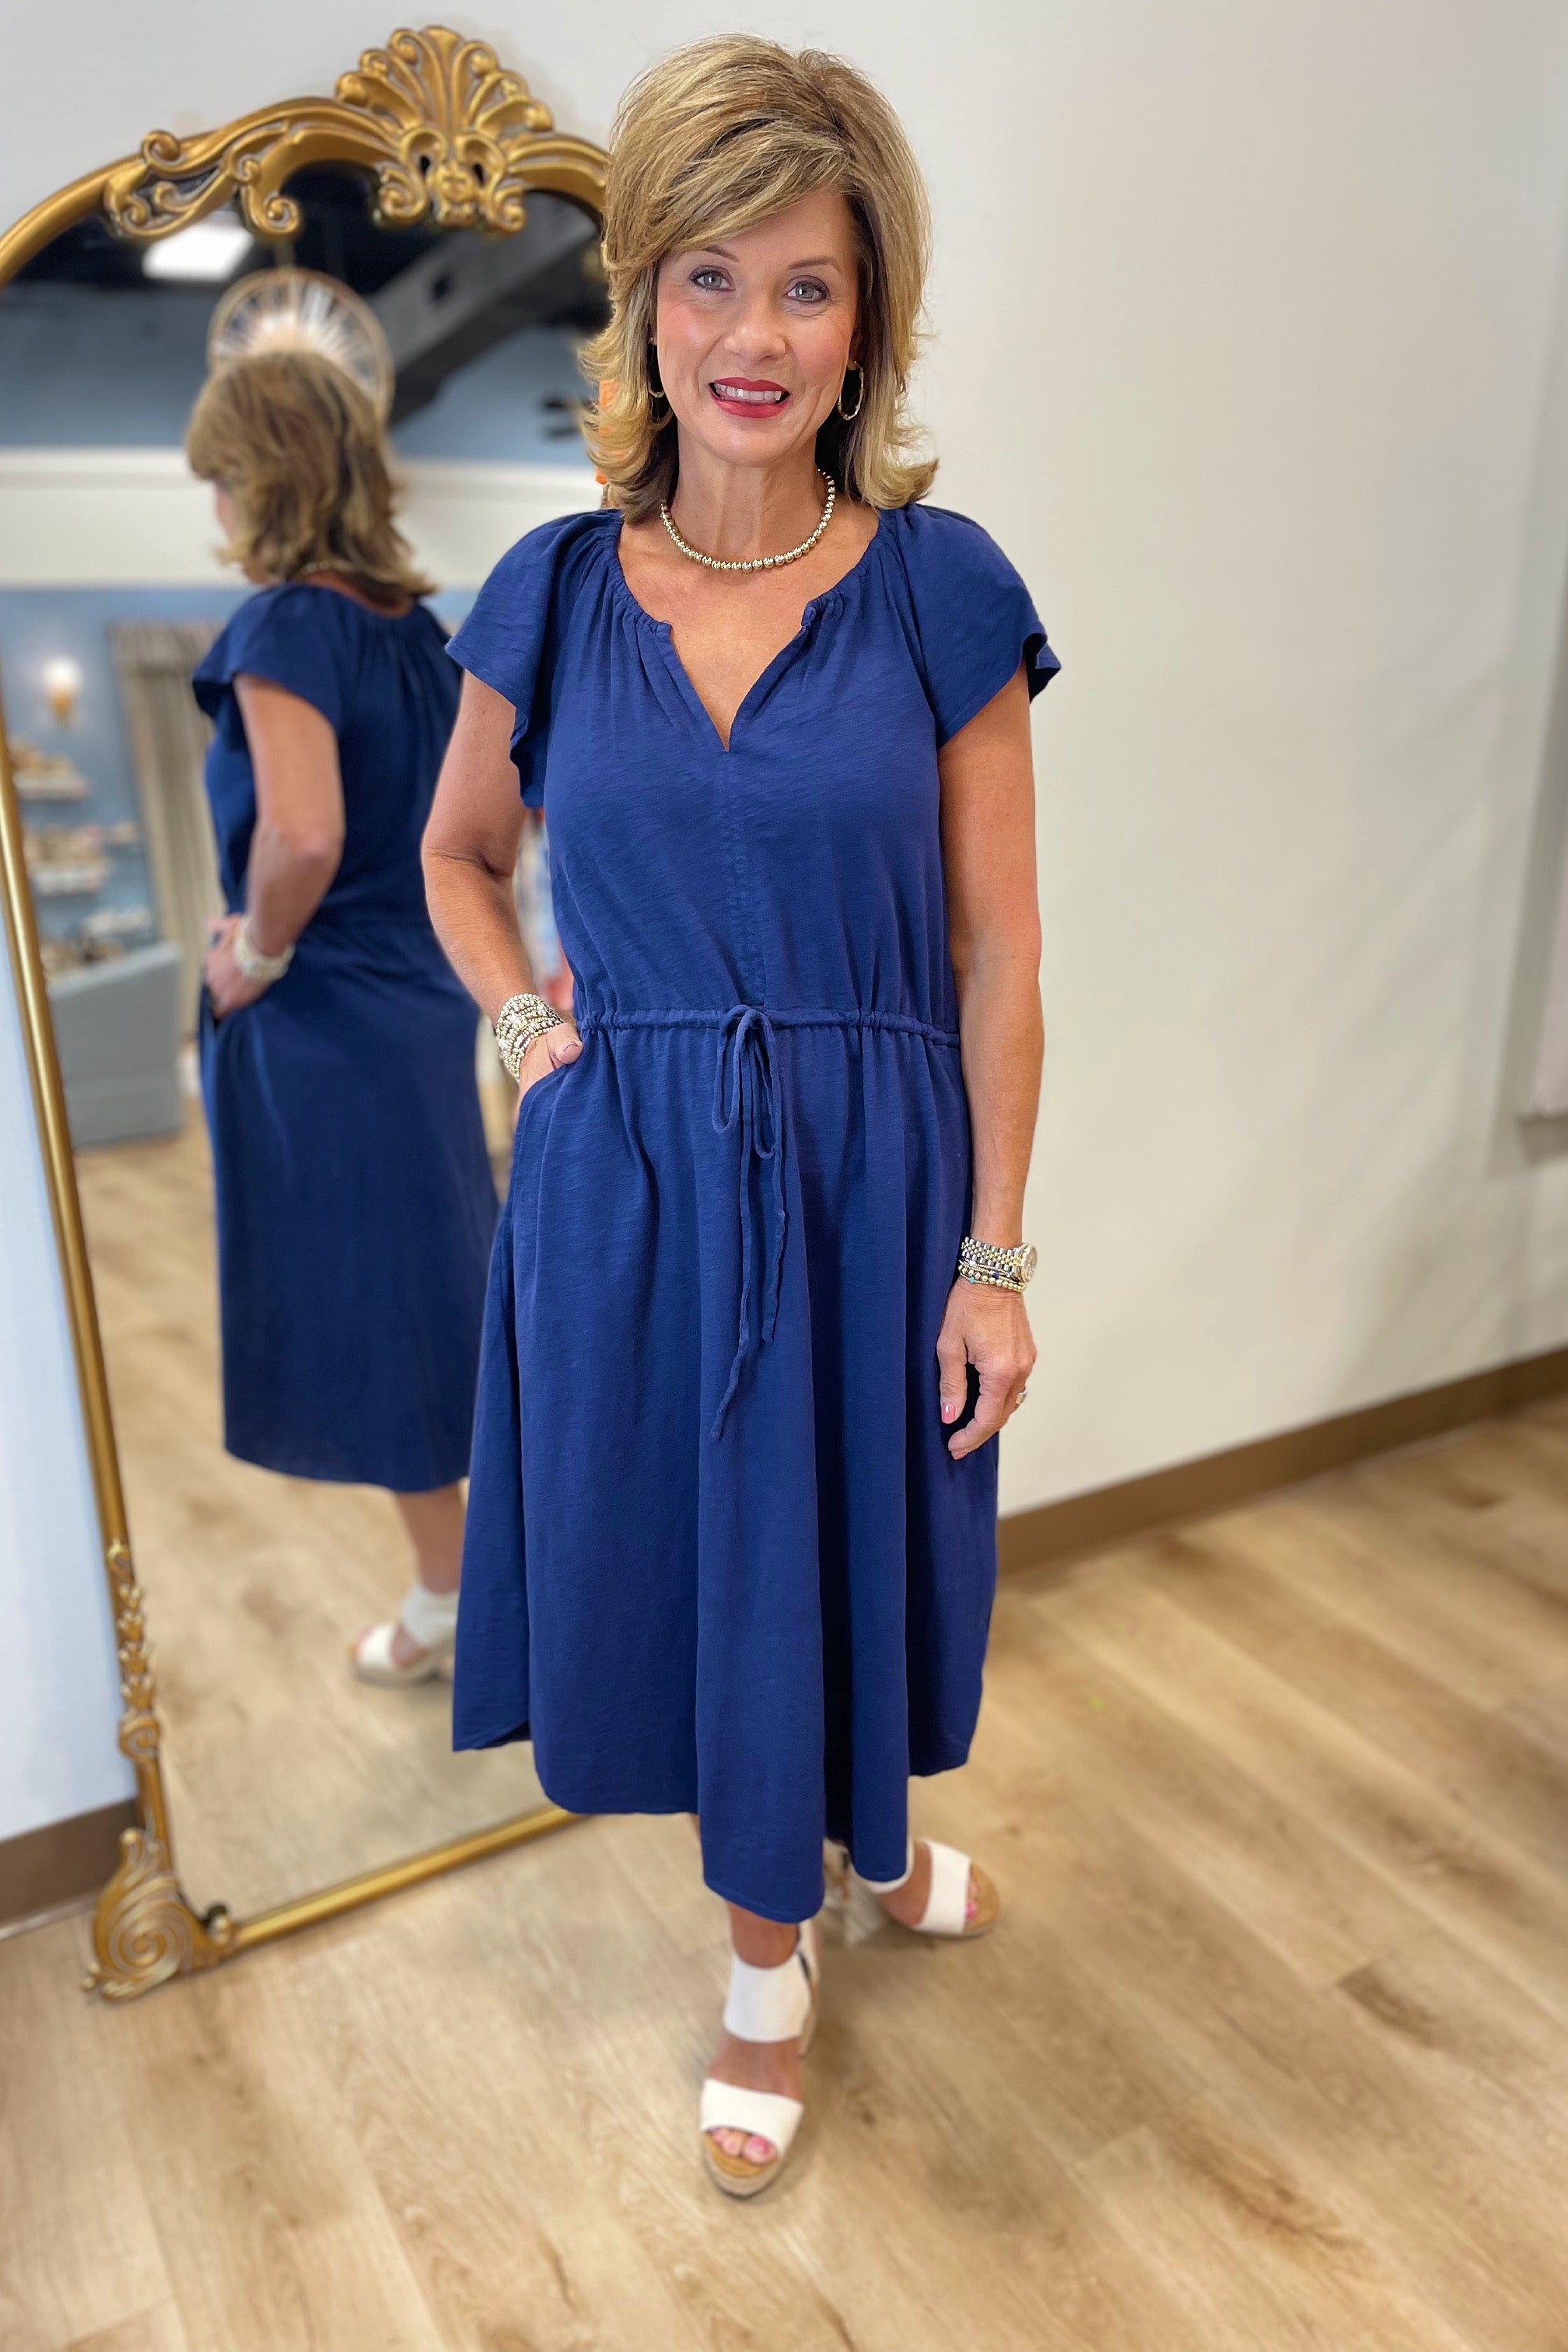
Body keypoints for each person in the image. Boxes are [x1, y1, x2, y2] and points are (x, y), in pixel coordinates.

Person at [424, 35, 1057, 2195]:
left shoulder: (942, 589)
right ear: (644, 306)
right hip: (628, 1186)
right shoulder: (550, 590)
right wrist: (526, 1022)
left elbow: (999, 955)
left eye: (806, 284)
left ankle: (844, 1872)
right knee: (704, 1567)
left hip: (878, 1183)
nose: (754, 335)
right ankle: (775, 1954)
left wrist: (994, 1259)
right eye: (709, 278)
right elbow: (452, 859)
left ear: (867, 318)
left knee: (853, 1549)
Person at [187, 323, 498, 1685]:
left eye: (219, 479)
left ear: (263, 479)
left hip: (328, 1020)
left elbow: (303, 833)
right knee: (437, 1294)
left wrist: (254, 952)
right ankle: (475, 1582)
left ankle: (456, 1597)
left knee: (385, 1314)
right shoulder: (420, 637)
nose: (213, 509)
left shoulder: (285, 626)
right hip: (419, 1003)